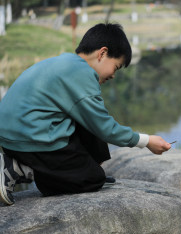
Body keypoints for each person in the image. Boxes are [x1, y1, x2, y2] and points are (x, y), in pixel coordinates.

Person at [0, 23, 171, 205]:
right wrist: (146, 141)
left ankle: (79, 170)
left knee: (90, 118)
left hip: (14, 134)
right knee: (92, 179)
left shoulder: (66, 63)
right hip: (28, 139)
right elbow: (105, 128)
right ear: (102, 53)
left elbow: (95, 122)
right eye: (116, 67)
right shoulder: (81, 73)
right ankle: (17, 168)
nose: (113, 75)